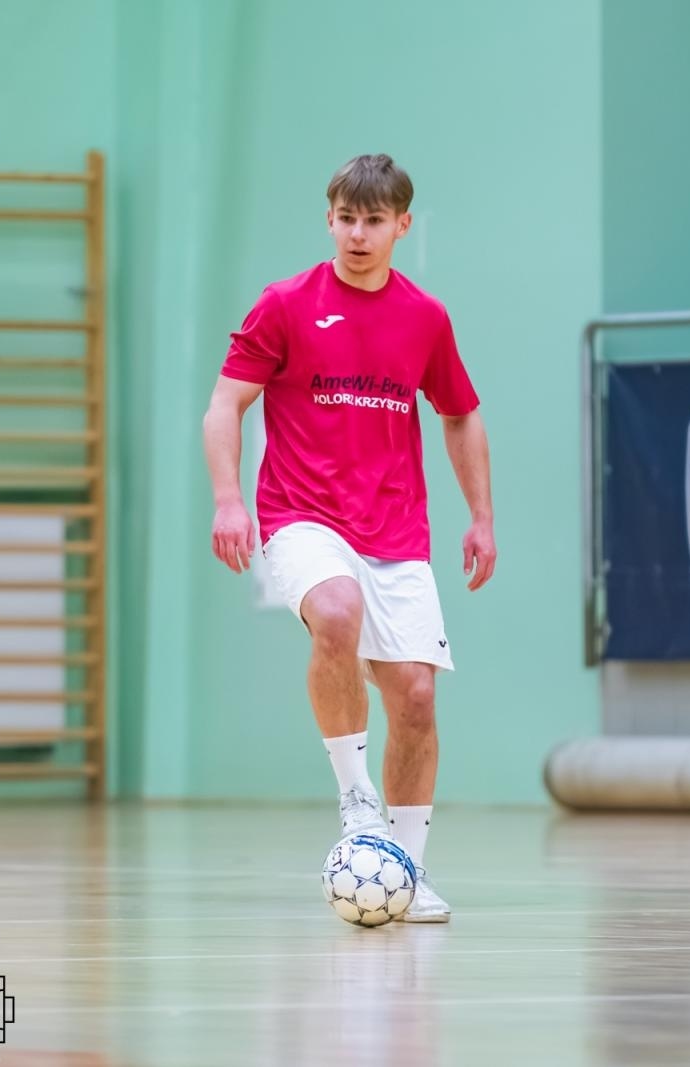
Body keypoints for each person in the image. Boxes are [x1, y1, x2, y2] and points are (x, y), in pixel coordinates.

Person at [202, 153, 496, 923]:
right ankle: (355, 799)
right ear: (328, 219)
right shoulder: (287, 305)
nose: (358, 234)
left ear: (403, 225)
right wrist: (229, 500)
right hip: (303, 513)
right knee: (335, 611)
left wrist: (482, 517)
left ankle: (405, 869)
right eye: (345, 218)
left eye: (374, 220)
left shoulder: (426, 317)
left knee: (418, 697)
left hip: (395, 527)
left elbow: (459, 414)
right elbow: (225, 406)